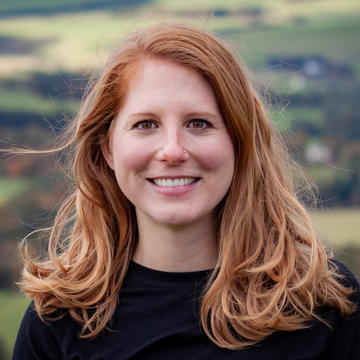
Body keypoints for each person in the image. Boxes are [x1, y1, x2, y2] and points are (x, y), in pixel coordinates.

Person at [12, 23, 360, 359]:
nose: (173, 150)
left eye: (199, 123)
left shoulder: (324, 304)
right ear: (107, 149)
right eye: (145, 125)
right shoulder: (58, 320)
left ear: (239, 143)